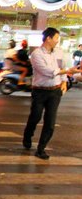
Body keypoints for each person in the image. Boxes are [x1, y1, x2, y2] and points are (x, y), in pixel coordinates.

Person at [23, 28, 81, 160]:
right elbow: (47, 71)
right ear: (48, 38)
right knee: (35, 117)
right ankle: (27, 137)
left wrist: (64, 81)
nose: (57, 41)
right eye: (56, 38)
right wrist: (67, 71)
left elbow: (61, 67)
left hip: (55, 92)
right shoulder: (36, 54)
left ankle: (41, 149)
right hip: (39, 91)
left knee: (50, 122)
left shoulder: (59, 52)